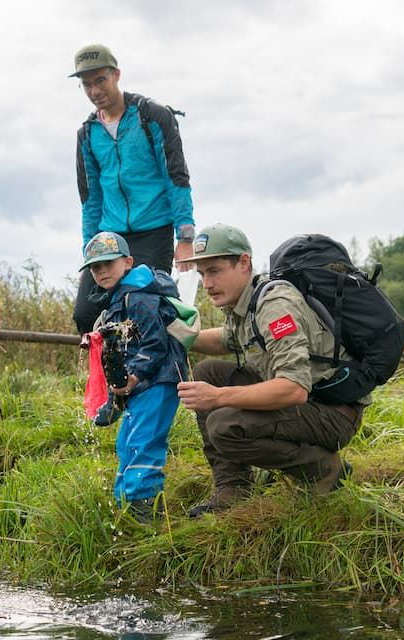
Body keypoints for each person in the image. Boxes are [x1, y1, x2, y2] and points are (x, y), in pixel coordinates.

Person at [176, 224, 366, 517]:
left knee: (224, 426)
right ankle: (232, 488)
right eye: (202, 274)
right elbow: (226, 339)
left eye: (214, 271)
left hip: (332, 414)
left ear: (244, 262)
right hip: (310, 405)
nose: (207, 283)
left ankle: (325, 470)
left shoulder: (274, 304)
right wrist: (178, 334)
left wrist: (217, 397)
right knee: (208, 371)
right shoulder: (246, 302)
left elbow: (293, 388)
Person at [70, 43, 196, 336]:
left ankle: (156, 365)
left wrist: (185, 236)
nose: (94, 91)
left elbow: (176, 178)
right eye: (86, 84)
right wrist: (89, 249)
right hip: (109, 237)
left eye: (100, 80)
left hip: (154, 231)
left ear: (116, 74)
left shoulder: (152, 116)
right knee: (86, 315)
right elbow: (90, 199)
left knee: (144, 309)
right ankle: (107, 368)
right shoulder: (87, 134)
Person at [81, 231, 189, 522]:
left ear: (127, 262)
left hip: (159, 380)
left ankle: (145, 510)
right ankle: (124, 504)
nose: (102, 271)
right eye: (95, 267)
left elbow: (155, 343)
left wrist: (134, 376)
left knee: (143, 442)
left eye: (108, 263)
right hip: (142, 383)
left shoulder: (139, 297)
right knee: (126, 443)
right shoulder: (116, 300)